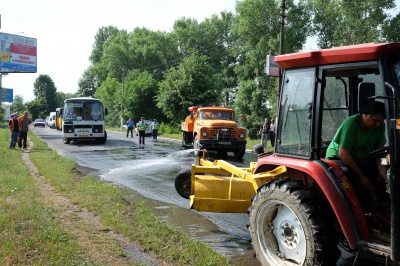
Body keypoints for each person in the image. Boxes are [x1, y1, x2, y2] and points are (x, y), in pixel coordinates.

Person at [325, 101, 388, 213]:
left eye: (381, 121)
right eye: (375, 120)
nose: (378, 124)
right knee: (347, 175)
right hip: (340, 158)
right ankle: (355, 211)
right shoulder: (351, 124)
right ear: (365, 115)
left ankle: (381, 202)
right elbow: (343, 154)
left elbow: (381, 150)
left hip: (363, 158)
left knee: (389, 161)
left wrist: (382, 170)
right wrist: (361, 176)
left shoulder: (380, 125)